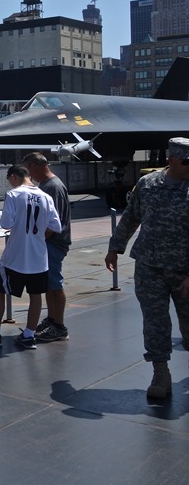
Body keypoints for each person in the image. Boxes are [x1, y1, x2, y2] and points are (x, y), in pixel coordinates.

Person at [105, 137, 189, 400]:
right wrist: (115, 247)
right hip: (150, 266)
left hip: (184, 270)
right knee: (155, 322)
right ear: (172, 160)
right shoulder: (148, 184)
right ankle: (160, 373)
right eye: (187, 162)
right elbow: (132, 216)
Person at [0, 165, 61, 350]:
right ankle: (29, 335)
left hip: (15, 256)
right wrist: (37, 236)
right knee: (35, 295)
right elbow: (56, 225)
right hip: (38, 257)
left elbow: (6, 223)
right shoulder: (45, 197)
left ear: (13, 177)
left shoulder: (13, 195)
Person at [22, 152, 71, 342]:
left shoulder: (53, 187)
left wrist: (36, 241)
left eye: (28, 169)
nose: (29, 175)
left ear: (34, 166)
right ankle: (52, 319)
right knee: (49, 284)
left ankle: (59, 326)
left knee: (55, 283)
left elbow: (53, 223)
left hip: (53, 243)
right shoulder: (46, 185)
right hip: (48, 242)